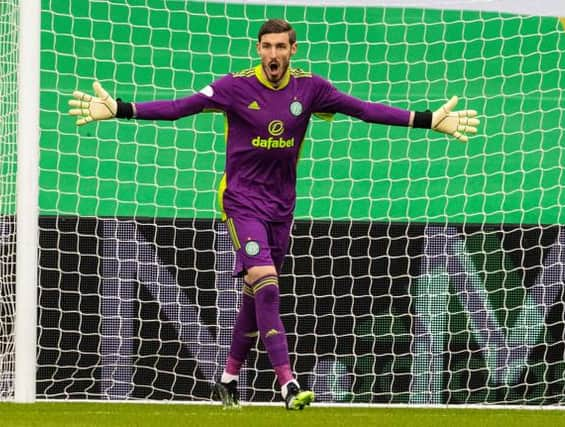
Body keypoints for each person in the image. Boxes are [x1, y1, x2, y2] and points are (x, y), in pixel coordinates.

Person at [68, 18, 479, 410]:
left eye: (280, 46)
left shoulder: (310, 89)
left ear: (292, 50)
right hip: (241, 202)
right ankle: (288, 381)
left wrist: (427, 121)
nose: (273, 53)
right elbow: (180, 107)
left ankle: (229, 376)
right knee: (266, 283)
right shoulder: (235, 86)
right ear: (259, 50)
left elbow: (364, 109)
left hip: (281, 208)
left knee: (255, 293)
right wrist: (121, 109)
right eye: (267, 46)